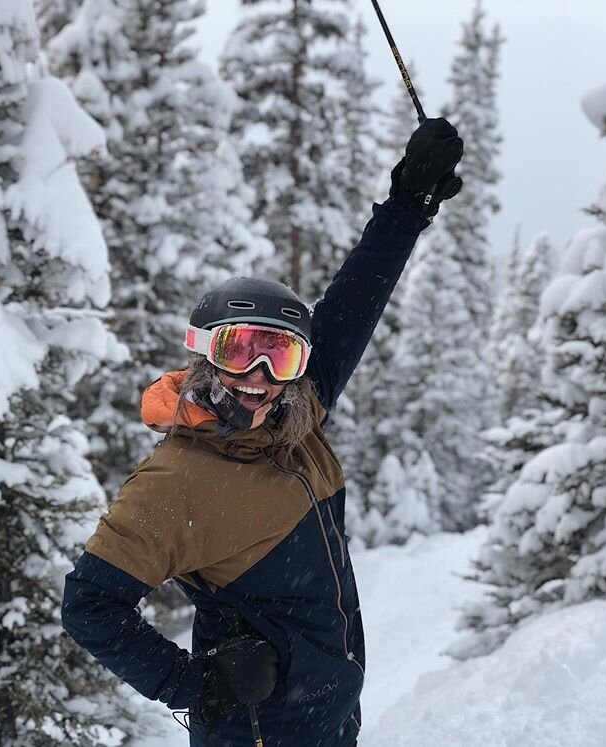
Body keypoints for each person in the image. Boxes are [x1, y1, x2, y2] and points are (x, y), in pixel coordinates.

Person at [62, 118, 464, 747]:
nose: (259, 376)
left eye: (279, 356)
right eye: (241, 351)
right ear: (204, 355)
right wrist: (193, 685)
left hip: (330, 721)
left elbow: (355, 301)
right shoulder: (174, 481)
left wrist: (409, 203)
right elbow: (88, 604)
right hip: (255, 734)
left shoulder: (295, 420)